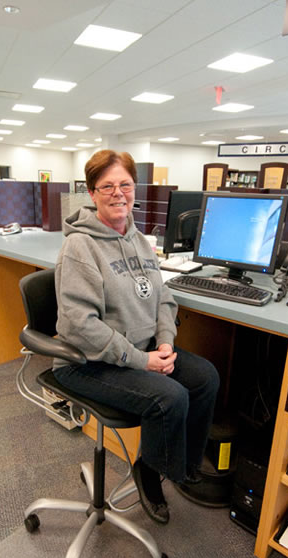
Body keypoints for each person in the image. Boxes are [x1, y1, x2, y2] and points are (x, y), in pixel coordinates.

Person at [53, 149, 220, 525]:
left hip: (141, 349)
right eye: (107, 186)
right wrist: (142, 360)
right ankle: (150, 469)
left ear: (135, 188)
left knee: (204, 377)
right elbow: (81, 324)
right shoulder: (80, 246)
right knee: (170, 396)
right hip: (85, 361)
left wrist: (165, 342)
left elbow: (163, 296)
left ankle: (183, 466)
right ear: (92, 194)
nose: (118, 193)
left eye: (125, 184)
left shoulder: (139, 240)